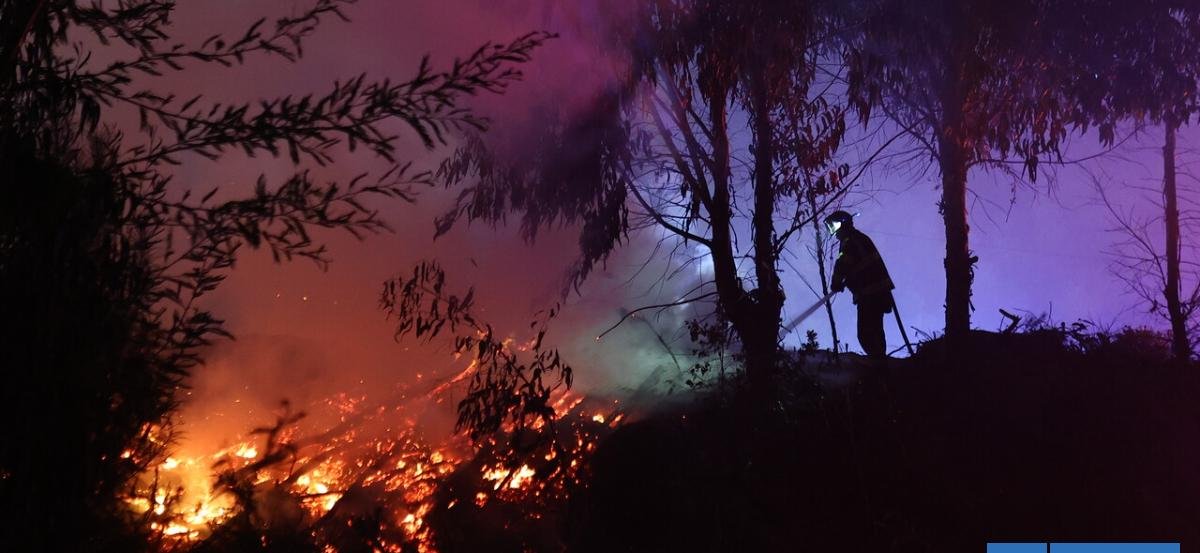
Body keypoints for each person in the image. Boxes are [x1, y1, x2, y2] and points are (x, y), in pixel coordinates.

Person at [826, 210, 895, 359]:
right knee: (875, 331)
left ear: (842, 224)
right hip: (877, 292)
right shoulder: (858, 239)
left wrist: (836, 282)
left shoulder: (851, 241)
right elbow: (857, 265)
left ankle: (878, 366)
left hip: (870, 294)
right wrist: (848, 279)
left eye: (834, 226)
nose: (833, 232)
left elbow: (843, 264)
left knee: (866, 333)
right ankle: (880, 363)